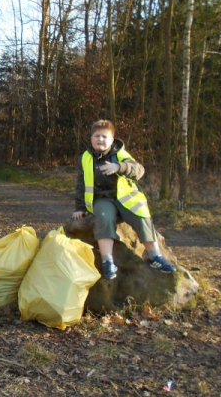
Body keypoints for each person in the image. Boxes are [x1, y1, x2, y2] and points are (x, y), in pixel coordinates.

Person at [72, 119, 176, 280]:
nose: (100, 139)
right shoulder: (85, 158)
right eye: (96, 136)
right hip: (102, 199)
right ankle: (108, 262)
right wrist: (80, 208)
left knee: (142, 218)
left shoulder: (119, 154)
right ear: (91, 138)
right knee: (104, 219)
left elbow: (139, 170)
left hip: (125, 199)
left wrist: (119, 167)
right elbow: (81, 184)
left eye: (104, 137)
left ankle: (155, 256)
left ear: (112, 140)